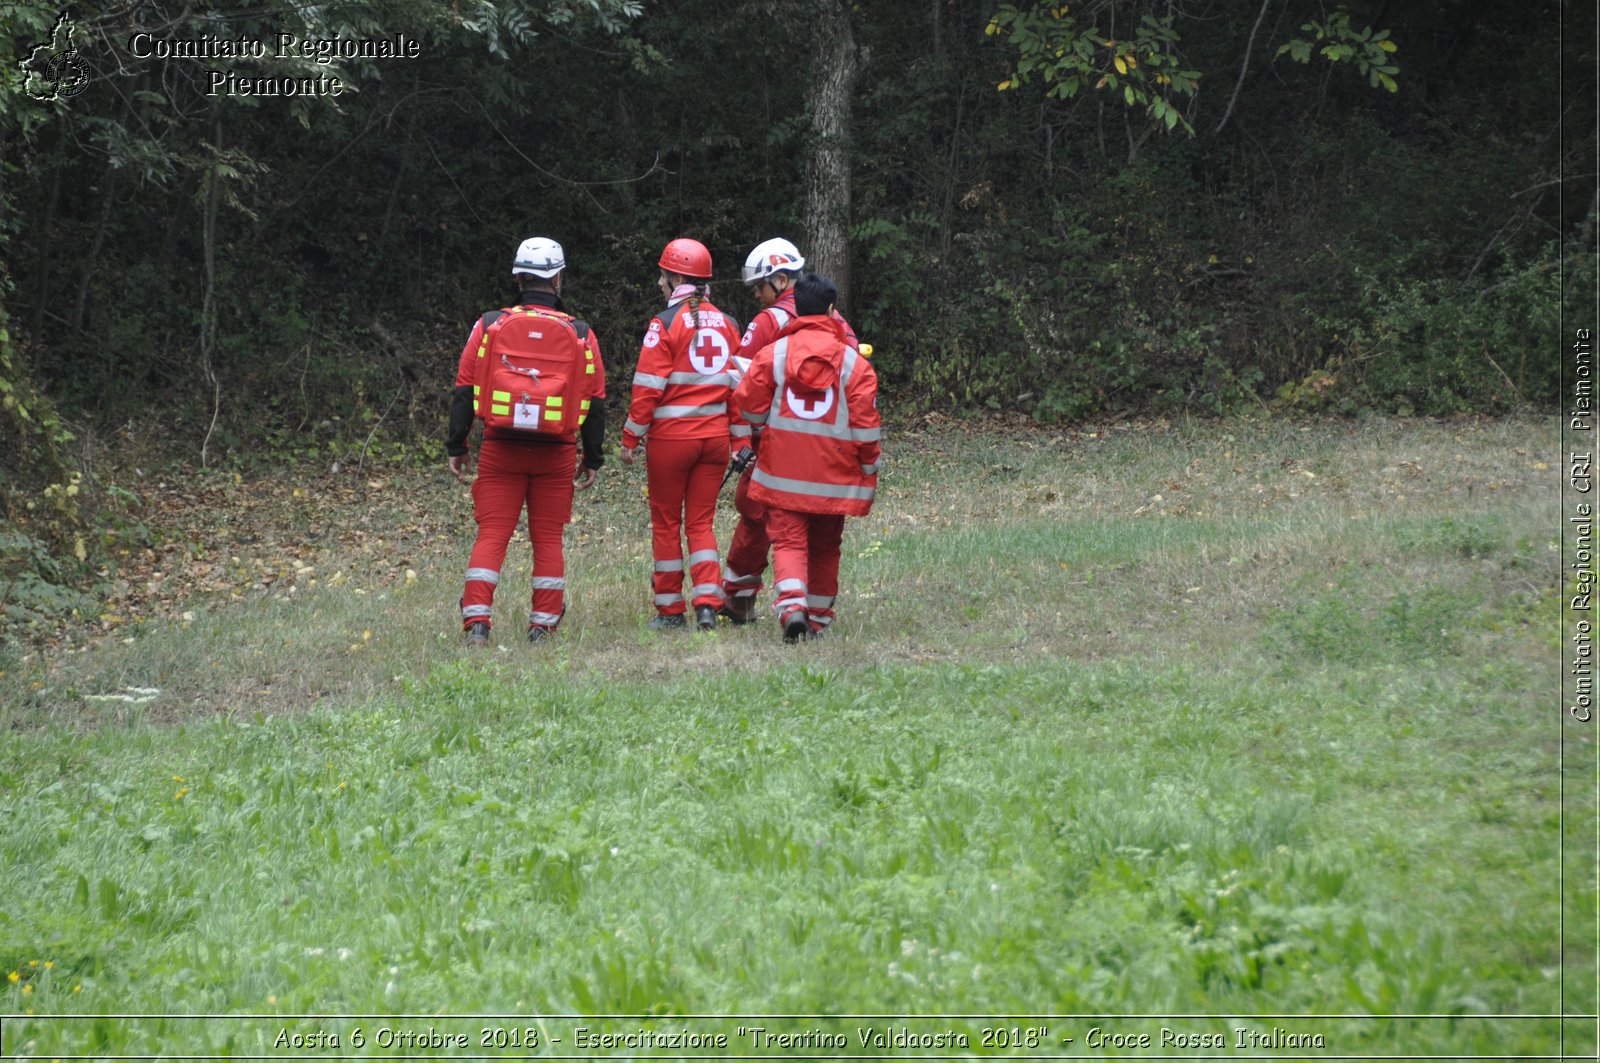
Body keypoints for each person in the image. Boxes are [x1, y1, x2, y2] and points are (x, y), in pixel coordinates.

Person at [445, 236, 607, 646]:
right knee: (548, 539)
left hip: (501, 447)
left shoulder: (488, 325)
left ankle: (477, 622)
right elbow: (595, 401)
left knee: (492, 535)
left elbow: (464, 389)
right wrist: (592, 457)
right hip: (556, 453)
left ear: (518, 277)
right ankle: (543, 625)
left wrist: (457, 446)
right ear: (557, 279)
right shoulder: (583, 334)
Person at [731, 272, 880, 643]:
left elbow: (747, 406)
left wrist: (767, 425)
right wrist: (868, 465)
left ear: (795, 308)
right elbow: (865, 428)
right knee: (826, 546)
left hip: (781, 474)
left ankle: (792, 607)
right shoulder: (854, 365)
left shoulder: (774, 354)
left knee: (788, 542)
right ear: (831, 310)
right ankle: (818, 619)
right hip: (834, 476)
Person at [620, 237, 743, 630]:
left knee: (666, 522)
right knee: (701, 523)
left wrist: (630, 438)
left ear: (676, 278)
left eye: (662, 276)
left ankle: (670, 610)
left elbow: (647, 389)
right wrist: (741, 442)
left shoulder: (665, 323)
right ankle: (707, 602)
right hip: (715, 440)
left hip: (672, 442)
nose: (659, 283)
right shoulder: (729, 323)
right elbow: (739, 393)